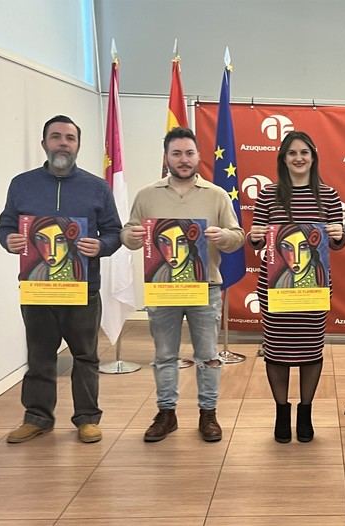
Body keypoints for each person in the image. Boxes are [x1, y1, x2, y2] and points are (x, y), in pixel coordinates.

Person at [0, 115, 122, 444]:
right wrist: (8, 239)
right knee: (39, 354)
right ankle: (37, 416)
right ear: (44, 144)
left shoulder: (97, 187)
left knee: (84, 355)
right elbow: (5, 225)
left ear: (78, 145)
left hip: (82, 288)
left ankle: (87, 419)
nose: (63, 143)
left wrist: (102, 245)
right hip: (38, 288)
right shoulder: (22, 184)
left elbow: (114, 232)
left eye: (70, 138)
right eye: (56, 137)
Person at [121, 127, 245, 443]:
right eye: (176, 153)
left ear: (198, 156)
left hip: (205, 288)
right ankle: (166, 413)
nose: (183, 159)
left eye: (189, 153)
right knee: (164, 354)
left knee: (207, 354)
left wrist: (224, 237)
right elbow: (129, 234)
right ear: (166, 157)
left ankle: (208, 414)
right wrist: (130, 237)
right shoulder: (147, 195)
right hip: (163, 289)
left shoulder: (216, 194)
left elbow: (238, 237)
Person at [250, 131, 345, 443]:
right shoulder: (268, 194)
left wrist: (337, 234)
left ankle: (305, 413)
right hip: (275, 287)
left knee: (310, 351)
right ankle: (281, 412)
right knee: (276, 352)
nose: (299, 158)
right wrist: (254, 235)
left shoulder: (328, 195)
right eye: (292, 153)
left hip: (313, 288)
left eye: (304, 152)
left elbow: (340, 242)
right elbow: (256, 238)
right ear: (283, 159)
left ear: (313, 156)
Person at [26, 215, 85, 281]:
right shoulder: (35, 274)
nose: (52, 252)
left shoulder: (76, 271)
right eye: (42, 239)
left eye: (60, 240)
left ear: (69, 242)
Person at [149, 218, 206, 283]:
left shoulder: (198, 271)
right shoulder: (159, 275)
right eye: (165, 241)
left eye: (181, 241)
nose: (174, 254)